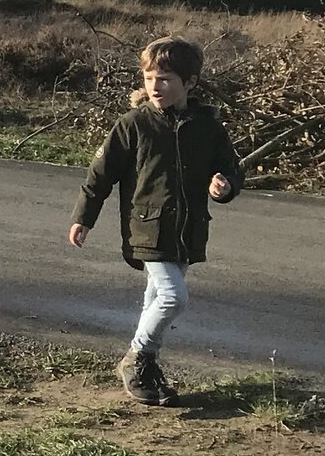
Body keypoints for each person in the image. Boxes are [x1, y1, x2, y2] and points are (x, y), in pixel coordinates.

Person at [68, 35, 243, 405]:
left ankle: (148, 370)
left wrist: (223, 185)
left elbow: (229, 169)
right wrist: (84, 217)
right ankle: (137, 358)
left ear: (189, 83)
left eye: (165, 79)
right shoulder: (134, 124)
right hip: (146, 226)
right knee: (172, 297)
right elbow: (100, 174)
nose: (155, 87)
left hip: (187, 229)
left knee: (154, 299)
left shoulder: (208, 126)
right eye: (149, 78)